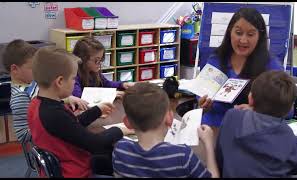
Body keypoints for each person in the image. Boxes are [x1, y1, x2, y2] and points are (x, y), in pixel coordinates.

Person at [27, 46, 132, 178]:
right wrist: (120, 129)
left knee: (110, 160)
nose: (74, 82)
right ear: (59, 81)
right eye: (72, 78)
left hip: (66, 164)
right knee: (121, 163)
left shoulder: (37, 104)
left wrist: (97, 110)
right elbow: (95, 144)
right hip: (75, 172)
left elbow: (72, 124)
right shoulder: (54, 114)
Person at [215, 70, 297, 177]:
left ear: (250, 99)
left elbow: (219, 158)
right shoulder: (289, 143)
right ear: (290, 109)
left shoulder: (231, 117)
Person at [198, 7, 283, 129]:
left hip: (248, 132)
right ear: (229, 32)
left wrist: (257, 111)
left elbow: (286, 107)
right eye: (238, 33)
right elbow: (201, 92)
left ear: (260, 36)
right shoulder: (216, 59)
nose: (243, 40)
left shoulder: (271, 66)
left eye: (250, 34)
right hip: (211, 129)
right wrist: (203, 102)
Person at [112, 82, 219, 178]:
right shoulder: (182, 156)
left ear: (127, 123)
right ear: (169, 118)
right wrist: (208, 144)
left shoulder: (120, 150)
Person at [2, 39, 88, 143]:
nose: (37, 71)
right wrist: (54, 125)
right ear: (14, 69)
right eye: (32, 67)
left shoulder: (32, 84)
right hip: (49, 144)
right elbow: (23, 135)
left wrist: (68, 99)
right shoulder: (20, 96)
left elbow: (47, 99)